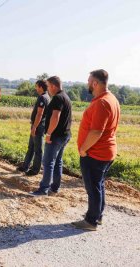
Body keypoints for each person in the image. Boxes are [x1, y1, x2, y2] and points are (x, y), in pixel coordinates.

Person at [72, 69, 120, 231]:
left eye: (89, 81)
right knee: (98, 185)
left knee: (93, 188)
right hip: (105, 151)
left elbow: (96, 131)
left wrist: (83, 150)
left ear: (95, 83)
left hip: (96, 153)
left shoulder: (102, 103)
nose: (87, 84)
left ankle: (91, 221)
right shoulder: (111, 98)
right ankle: (97, 216)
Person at [30, 76, 72, 196]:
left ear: (53, 86)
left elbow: (55, 117)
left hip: (56, 136)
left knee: (48, 162)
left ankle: (43, 189)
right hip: (65, 135)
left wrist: (49, 134)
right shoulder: (66, 96)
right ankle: (54, 188)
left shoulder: (58, 98)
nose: (47, 88)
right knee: (58, 161)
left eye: (48, 86)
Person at [17, 80, 50, 176]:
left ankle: (35, 170)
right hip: (37, 125)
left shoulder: (43, 98)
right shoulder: (46, 96)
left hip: (38, 126)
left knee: (37, 149)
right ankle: (25, 166)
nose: (35, 88)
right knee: (31, 146)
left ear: (40, 87)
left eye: (36, 86)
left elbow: (40, 114)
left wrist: (34, 127)